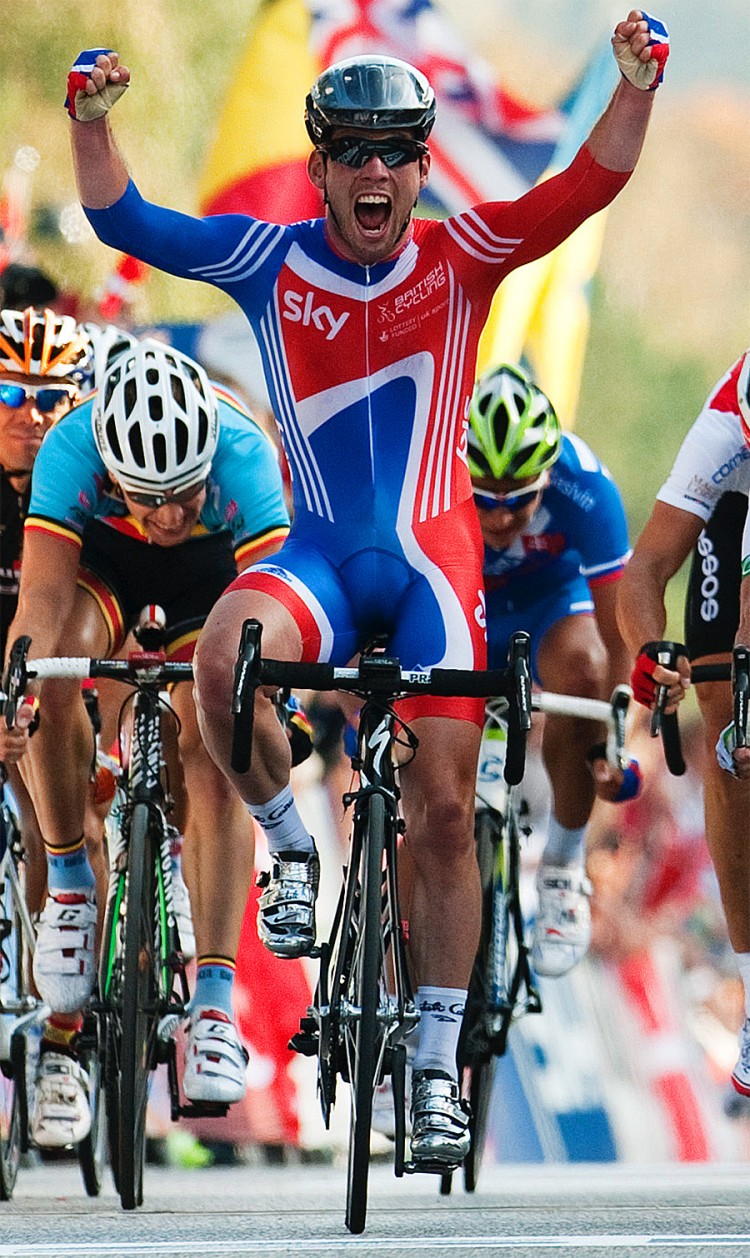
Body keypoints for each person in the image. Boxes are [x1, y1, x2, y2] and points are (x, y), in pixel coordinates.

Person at [66, 12, 668, 1169]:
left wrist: (634, 88)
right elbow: (128, 221)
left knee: (445, 810)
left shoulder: (464, 255)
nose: (377, 172)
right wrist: (93, 126)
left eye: (397, 151)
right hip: (319, 564)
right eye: (354, 152)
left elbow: (585, 187)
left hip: (439, 572)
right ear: (322, 164)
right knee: (222, 651)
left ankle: (435, 1068)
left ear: (422, 166)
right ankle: (290, 842)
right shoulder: (268, 259)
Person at [6, 339, 290, 1147]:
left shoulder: (245, 455)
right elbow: (39, 610)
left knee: (213, 744)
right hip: (109, 565)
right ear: (109, 465)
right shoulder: (71, 449)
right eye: (147, 495)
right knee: (58, 671)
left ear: (210, 459)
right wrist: (16, 692)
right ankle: (69, 882)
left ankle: (212, 1005)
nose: (167, 514)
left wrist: (272, 708)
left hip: (217, 579)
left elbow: (274, 626)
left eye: (183, 494)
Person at [467, 363, 639, 978]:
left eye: (519, 499)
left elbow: (622, 634)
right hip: (465, 602)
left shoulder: (587, 488)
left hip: (547, 607)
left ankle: (563, 871)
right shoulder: (432, 467)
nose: (500, 516)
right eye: (483, 498)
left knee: (587, 673)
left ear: (549, 475)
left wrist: (615, 734)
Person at [617, 348, 750, 1100]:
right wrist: (648, 655)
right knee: (728, 714)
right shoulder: (725, 421)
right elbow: (645, 572)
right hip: (734, 515)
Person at [0, 307, 92, 908]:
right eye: (10, 391)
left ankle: (56, 990)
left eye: (51, 396)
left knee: (59, 807)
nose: (31, 414)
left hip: (56, 650)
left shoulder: (89, 482)